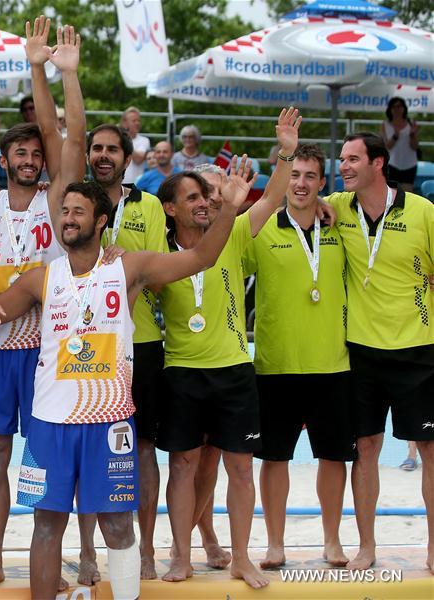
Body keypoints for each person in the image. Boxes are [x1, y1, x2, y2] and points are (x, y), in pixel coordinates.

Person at [0, 172, 251, 599]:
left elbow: (202, 257)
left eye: (78, 212)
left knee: (116, 524)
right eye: (64, 211)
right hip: (50, 423)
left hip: (108, 423)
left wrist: (230, 209)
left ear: (101, 220)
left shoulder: (129, 267)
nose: (68, 219)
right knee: (47, 523)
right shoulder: (42, 278)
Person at [0, 16, 83, 591]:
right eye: (22, 154)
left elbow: (70, 139)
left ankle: (50, 558)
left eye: (38, 153)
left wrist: (43, 70)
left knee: (46, 459)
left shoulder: (57, 200)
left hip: (45, 349)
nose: (32, 160)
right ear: (8, 160)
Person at [155, 107, 301, 589]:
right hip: (182, 371)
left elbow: (275, 196)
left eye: (207, 196)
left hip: (234, 369)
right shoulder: (157, 253)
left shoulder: (234, 232)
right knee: (183, 465)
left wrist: (284, 152)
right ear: (172, 208)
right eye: (193, 197)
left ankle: (241, 556)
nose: (203, 203)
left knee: (240, 468)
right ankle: (180, 553)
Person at [242, 143, 355, 569]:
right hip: (276, 364)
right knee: (274, 459)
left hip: (332, 363)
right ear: (283, 180)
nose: (302, 183)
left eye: (310, 176)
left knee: (333, 457)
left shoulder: (340, 226)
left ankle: (331, 540)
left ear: (323, 183)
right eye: (295, 175)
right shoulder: (263, 228)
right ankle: (274, 543)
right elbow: (225, 262)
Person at [327, 132, 434, 574]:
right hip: (362, 353)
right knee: (366, 448)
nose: (344, 166)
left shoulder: (423, 212)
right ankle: (366, 546)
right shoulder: (335, 207)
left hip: (418, 350)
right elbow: (295, 198)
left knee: (429, 449)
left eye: (352, 158)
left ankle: (432, 547)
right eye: (341, 159)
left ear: (379, 163)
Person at [89, 121, 184, 580]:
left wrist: (123, 266)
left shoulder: (148, 206)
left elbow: (159, 271)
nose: (103, 155)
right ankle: (88, 551)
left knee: (143, 450)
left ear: (128, 160)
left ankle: (145, 549)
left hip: (140, 343)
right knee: (87, 449)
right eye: (97, 148)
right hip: (86, 346)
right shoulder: (77, 200)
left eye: (112, 150)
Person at [382, 97, 420, 192]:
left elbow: (415, 147)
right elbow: (387, 146)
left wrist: (412, 135)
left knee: (407, 194)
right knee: (392, 194)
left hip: (409, 164)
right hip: (392, 164)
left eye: (399, 106)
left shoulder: (410, 124)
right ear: (390, 109)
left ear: (404, 108)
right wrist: (395, 135)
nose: (397, 109)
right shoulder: (385, 124)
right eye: (394, 107)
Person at [120, 107, 151, 185]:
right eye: (134, 121)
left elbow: (138, 159)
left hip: (137, 186)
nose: (137, 123)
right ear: (124, 123)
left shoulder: (144, 140)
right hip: (117, 185)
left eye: (138, 120)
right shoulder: (115, 139)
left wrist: (126, 139)